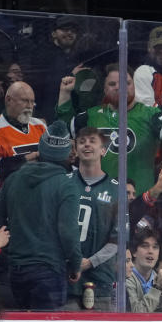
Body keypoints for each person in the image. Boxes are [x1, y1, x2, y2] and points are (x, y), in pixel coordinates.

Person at [0, 120, 82, 310]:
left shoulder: (14, 179)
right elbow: (68, 232)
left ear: (42, 148)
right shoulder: (66, 185)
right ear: (65, 154)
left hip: (16, 270)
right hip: (49, 270)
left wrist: (10, 246)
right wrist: (75, 264)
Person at [56, 64, 162, 194]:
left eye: (127, 83)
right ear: (104, 89)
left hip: (138, 201)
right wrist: (65, 93)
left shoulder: (151, 115)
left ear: (134, 86)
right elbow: (62, 131)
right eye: (112, 84)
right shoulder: (92, 116)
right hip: (100, 201)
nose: (119, 88)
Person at [66, 127, 119, 311]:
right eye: (81, 141)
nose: (86, 144)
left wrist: (90, 262)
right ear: (76, 149)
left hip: (101, 281)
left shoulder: (116, 190)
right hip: (67, 279)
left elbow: (118, 238)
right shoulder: (64, 183)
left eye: (92, 141)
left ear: (103, 150)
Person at [0, 81, 47, 184]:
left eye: (32, 102)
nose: (30, 106)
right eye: (25, 101)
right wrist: (22, 161)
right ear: (8, 100)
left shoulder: (40, 125)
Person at [125, 227, 162, 313]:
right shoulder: (127, 277)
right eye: (145, 246)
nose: (151, 251)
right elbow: (136, 315)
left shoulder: (158, 278)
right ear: (134, 252)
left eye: (155, 247)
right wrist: (157, 288)